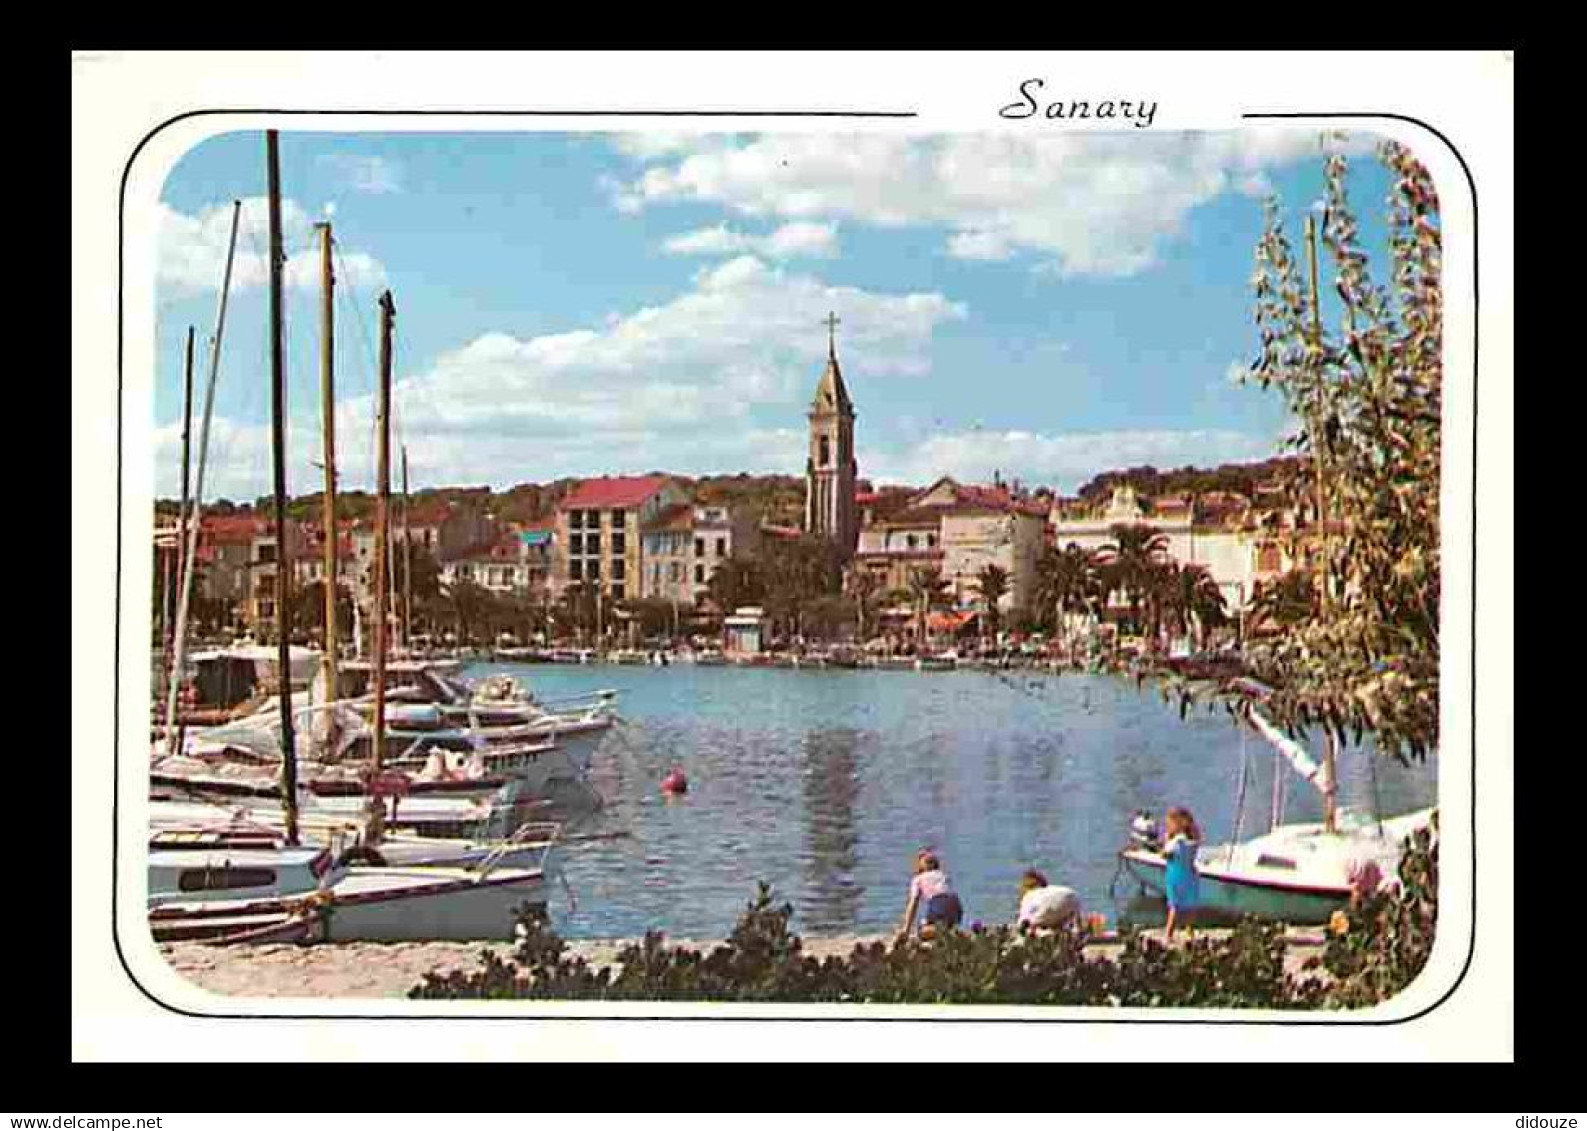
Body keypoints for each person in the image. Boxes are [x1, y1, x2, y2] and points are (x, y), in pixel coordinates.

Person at [896, 849, 962, 942]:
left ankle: (942, 931)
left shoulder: (918, 879)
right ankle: (949, 930)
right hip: (955, 903)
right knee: (941, 922)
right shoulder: (942, 875)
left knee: (921, 931)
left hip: (939, 902)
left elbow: (913, 904)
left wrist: (906, 929)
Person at [1162, 805, 1201, 940]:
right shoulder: (1193, 840)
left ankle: (1168, 934)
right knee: (1191, 907)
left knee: (1174, 907)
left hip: (1175, 875)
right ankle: (1190, 932)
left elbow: (1165, 854)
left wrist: (1166, 840)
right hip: (1190, 875)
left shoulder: (1176, 841)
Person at [1016, 869, 1082, 932]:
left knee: (1028, 921)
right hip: (1072, 896)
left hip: (1047, 909)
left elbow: (1022, 922)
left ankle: (1041, 931)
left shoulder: (1030, 895)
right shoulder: (1051, 890)